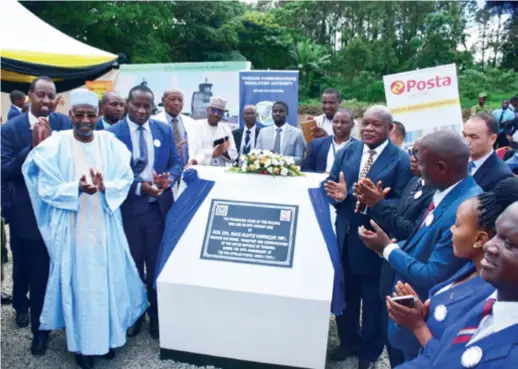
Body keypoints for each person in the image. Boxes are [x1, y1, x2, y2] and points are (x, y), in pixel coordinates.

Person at [22, 89, 147, 369]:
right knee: (83, 288)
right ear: (71, 116)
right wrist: (75, 188)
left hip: (105, 226)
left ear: (99, 114)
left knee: (108, 283)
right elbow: (45, 187)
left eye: (91, 114)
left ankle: (108, 339)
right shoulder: (56, 144)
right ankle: (84, 346)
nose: (86, 120)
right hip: (74, 228)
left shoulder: (110, 143)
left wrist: (106, 187)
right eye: (80, 114)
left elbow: (125, 178)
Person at [358, 130, 482, 361]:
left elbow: (433, 273)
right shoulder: (446, 193)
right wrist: (391, 245)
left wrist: (388, 249)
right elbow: (422, 240)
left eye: (422, 162)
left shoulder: (465, 209)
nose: (415, 167)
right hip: (409, 312)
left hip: (426, 317)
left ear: (442, 167)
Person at [387, 178, 518, 369]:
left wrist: (418, 326)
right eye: (496, 233)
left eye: (508, 243)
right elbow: (446, 355)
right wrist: (420, 319)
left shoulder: (491, 286)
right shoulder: (482, 279)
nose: (490, 245)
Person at [322, 105, 412, 369]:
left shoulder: (400, 160)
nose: (369, 129)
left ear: (389, 129)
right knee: (346, 297)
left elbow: (403, 203)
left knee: (374, 305)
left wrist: (377, 202)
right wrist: (339, 197)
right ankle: (348, 343)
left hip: (375, 243)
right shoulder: (348, 151)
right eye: (366, 124)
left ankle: (369, 354)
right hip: (345, 238)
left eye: (377, 125)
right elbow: (332, 185)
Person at [1, 76, 71, 355]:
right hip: (25, 214)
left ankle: (44, 327)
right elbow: (4, 171)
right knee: (25, 269)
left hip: (59, 213)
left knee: (47, 271)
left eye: (50, 96)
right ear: (29, 96)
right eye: (40, 95)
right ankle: (22, 307)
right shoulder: (10, 129)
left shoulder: (65, 124)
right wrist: (31, 147)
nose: (45, 101)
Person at [108, 84, 182, 340]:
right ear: (128, 104)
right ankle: (135, 314)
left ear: (153, 107)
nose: (141, 110)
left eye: (146, 106)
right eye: (136, 105)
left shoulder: (163, 129)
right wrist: (140, 188)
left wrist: (168, 180)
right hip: (129, 211)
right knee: (132, 266)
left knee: (157, 265)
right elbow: (110, 176)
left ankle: (157, 316)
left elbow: (176, 162)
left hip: (159, 211)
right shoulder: (113, 134)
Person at [354, 138, 434, 368]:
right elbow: (398, 219)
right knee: (390, 334)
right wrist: (374, 204)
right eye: (412, 151)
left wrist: (378, 205)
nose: (412, 157)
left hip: (409, 277)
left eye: (418, 153)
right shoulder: (415, 182)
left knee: (405, 347)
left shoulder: (435, 193)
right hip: (391, 267)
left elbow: (410, 230)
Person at [463, 113, 513, 191]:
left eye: (474, 137)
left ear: (492, 139)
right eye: (464, 135)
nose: (466, 142)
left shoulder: (502, 177)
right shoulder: (458, 161)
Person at [152, 89, 198, 165]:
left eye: (180, 100)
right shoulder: (153, 122)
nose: (177, 103)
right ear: (163, 101)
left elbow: (198, 149)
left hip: (188, 170)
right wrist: (169, 152)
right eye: (172, 99)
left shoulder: (191, 122)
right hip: (164, 171)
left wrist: (195, 160)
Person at [302, 109, 355, 173]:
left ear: (352, 124)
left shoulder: (359, 147)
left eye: (343, 122)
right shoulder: (317, 144)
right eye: (335, 122)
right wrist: (321, 176)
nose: (338, 125)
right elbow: (305, 169)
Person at [190, 96, 238, 166]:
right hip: (202, 170)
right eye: (213, 110)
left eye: (220, 112)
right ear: (207, 110)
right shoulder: (197, 125)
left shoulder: (226, 129)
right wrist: (215, 152)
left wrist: (223, 152)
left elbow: (234, 154)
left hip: (220, 171)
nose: (216, 114)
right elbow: (194, 151)